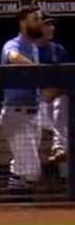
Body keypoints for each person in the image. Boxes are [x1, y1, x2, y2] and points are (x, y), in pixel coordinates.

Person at [1, 6, 45, 198]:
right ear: (23, 22)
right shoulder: (13, 44)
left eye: (40, 19)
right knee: (32, 171)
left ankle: (18, 203)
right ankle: (17, 188)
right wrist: (35, 68)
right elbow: (12, 57)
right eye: (35, 19)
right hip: (16, 112)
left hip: (34, 112)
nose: (39, 23)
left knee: (22, 166)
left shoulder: (34, 47)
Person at [39, 16, 69, 165]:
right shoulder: (28, 49)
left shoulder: (58, 50)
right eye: (47, 24)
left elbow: (67, 80)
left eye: (52, 24)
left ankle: (59, 147)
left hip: (54, 100)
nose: (51, 28)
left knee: (62, 102)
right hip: (35, 101)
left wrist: (56, 91)